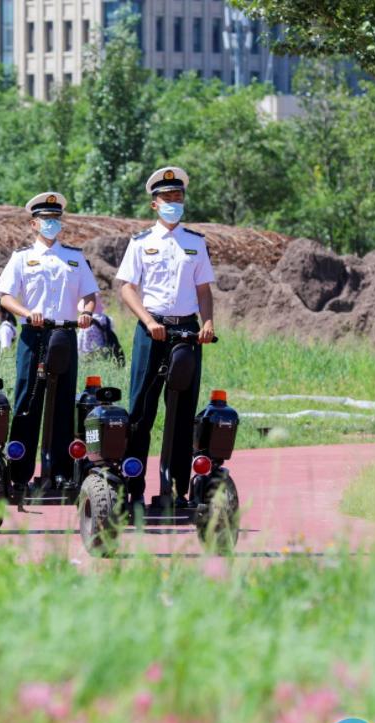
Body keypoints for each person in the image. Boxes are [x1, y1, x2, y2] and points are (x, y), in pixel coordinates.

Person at [115, 166, 216, 509]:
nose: (174, 203)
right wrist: (147, 320)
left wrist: (208, 322)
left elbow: (203, 289)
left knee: (181, 414)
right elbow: (127, 288)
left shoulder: (195, 243)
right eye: (167, 198)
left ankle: (173, 491)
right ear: (154, 204)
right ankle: (133, 489)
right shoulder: (142, 242)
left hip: (186, 331)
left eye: (179, 197)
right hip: (152, 329)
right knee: (141, 412)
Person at [0, 191, 99, 490]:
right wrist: (28, 312)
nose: (52, 223)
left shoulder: (75, 258)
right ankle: (20, 472)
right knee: (28, 402)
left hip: (64, 335)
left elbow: (89, 295)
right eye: (45, 219)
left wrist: (87, 312)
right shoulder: (22, 258)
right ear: (33, 224)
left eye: (56, 219)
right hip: (34, 336)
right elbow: (5, 297)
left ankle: (60, 473)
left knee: (63, 404)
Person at [77, 293, 126, 367]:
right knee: (101, 366)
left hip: (88, 350)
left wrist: (80, 350)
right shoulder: (105, 318)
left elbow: (82, 337)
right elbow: (111, 329)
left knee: (90, 369)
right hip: (103, 347)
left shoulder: (87, 320)